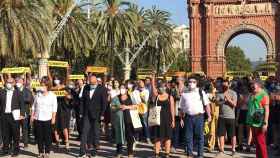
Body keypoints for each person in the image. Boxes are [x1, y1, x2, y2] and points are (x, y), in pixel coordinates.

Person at [180, 76, 211, 158]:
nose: (191, 83)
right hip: (188, 117)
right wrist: (181, 119)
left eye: (193, 82)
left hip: (199, 117)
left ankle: (200, 155)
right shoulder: (184, 93)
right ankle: (189, 154)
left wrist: (209, 115)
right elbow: (182, 108)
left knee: (200, 137)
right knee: (188, 137)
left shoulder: (201, 92)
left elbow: (207, 105)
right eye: (190, 81)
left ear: (197, 83)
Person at [79, 74, 108, 158]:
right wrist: (81, 112)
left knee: (96, 133)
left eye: (93, 82)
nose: (91, 83)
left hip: (97, 114)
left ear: (96, 81)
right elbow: (82, 101)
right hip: (86, 114)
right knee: (84, 132)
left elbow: (104, 103)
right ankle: (82, 152)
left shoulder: (102, 89)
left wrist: (102, 114)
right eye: (90, 82)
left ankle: (94, 152)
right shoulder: (86, 87)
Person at [30, 76, 57, 158]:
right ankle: (40, 152)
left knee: (47, 137)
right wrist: (32, 115)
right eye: (41, 84)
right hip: (38, 118)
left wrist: (53, 118)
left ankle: (47, 152)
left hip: (48, 119)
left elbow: (54, 108)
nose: (42, 86)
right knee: (39, 137)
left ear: (48, 85)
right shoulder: (38, 94)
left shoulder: (52, 95)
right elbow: (34, 106)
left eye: (44, 84)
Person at [151, 75, 175, 158]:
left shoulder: (170, 97)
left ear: (165, 87)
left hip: (167, 120)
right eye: (159, 87)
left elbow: (172, 109)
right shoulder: (156, 97)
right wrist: (152, 79)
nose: (160, 88)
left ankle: (167, 154)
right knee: (157, 138)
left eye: (162, 86)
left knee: (168, 137)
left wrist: (173, 121)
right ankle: (156, 154)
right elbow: (153, 89)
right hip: (158, 120)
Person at [0, 77, 25, 157]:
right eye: (7, 82)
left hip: (14, 116)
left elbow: (22, 104)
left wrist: (22, 114)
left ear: (14, 83)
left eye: (10, 82)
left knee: (15, 134)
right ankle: (5, 150)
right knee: (5, 134)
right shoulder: (2, 92)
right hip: (4, 115)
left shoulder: (18, 92)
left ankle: (16, 150)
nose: (8, 84)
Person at [112, 84, 137, 158]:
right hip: (119, 120)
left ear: (126, 89)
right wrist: (117, 107)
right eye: (121, 88)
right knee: (119, 136)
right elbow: (112, 107)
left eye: (123, 88)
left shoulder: (131, 97)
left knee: (130, 137)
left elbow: (136, 106)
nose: (122, 89)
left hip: (129, 119)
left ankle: (130, 153)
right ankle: (119, 153)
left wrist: (126, 107)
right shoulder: (116, 98)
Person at [246, 80, 269, 158]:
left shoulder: (264, 94)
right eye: (251, 85)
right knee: (257, 143)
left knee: (261, 143)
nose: (252, 87)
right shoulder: (252, 94)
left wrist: (265, 123)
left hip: (260, 123)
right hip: (252, 122)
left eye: (253, 85)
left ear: (258, 85)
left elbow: (267, 110)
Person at [216, 79, 238, 157]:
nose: (224, 86)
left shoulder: (233, 93)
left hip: (231, 117)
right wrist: (222, 101)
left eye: (225, 85)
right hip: (221, 116)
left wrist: (228, 100)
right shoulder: (219, 93)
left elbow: (234, 104)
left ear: (229, 85)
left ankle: (233, 150)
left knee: (232, 135)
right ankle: (221, 150)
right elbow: (217, 103)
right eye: (223, 85)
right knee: (221, 134)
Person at [15, 77, 33, 149]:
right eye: (16, 81)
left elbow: (29, 99)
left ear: (23, 82)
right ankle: (16, 142)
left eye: (19, 81)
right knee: (16, 128)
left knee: (24, 128)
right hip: (16, 112)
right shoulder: (14, 90)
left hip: (24, 112)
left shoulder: (27, 90)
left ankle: (25, 143)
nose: (17, 82)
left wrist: (19, 98)